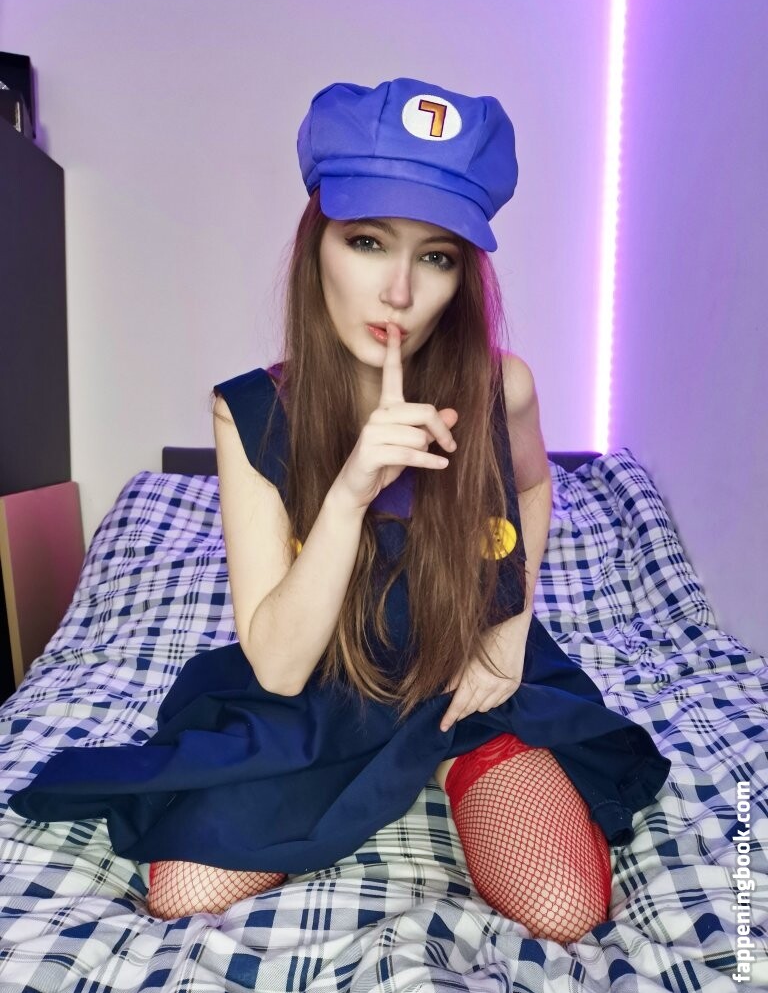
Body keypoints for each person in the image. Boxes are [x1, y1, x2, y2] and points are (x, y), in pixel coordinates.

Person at [9, 77, 670, 941]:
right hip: (325, 689)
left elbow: (536, 488)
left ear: (461, 277)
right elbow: (280, 668)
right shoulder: (250, 414)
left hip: (462, 674)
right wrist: (353, 489)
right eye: (366, 241)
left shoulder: (500, 386)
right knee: (183, 892)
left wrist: (507, 634)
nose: (398, 291)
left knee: (564, 908)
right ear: (316, 242)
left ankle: (448, 763)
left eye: (436, 257)